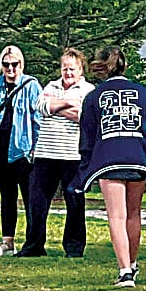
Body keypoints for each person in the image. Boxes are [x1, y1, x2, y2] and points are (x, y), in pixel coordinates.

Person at [77, 46, 146, 288]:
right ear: (125, 65)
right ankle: (133, 262)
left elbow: (87, 136)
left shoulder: (94, 97)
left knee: (116, 216)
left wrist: (85, 166)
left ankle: (125, 271)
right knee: (133, 214)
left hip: (108, 159)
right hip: (138, 157)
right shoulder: (143, 93)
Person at [23, 47, 93, 257]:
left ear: (80, 70)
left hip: (72, 155)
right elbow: (40, 106)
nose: (68, 73)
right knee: (37, 201)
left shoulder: (88, 90)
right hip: (45, 154)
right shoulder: (51, 86)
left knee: (74, 201)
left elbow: (84, 116)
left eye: (72, 69)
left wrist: (56, 107)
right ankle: (34, 246)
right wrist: (68, 103)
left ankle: (74, 247)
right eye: (65, 69)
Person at [0, 46, 42, 257]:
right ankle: (7, 242)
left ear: (21, 65)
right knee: (7, 197)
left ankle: (33, 243)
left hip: (23, 150)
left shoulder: (31, 85)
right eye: (6, 65)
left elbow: (38, 119)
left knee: (30, 197)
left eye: (14, 64)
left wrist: (36, 147)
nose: (10, 69)